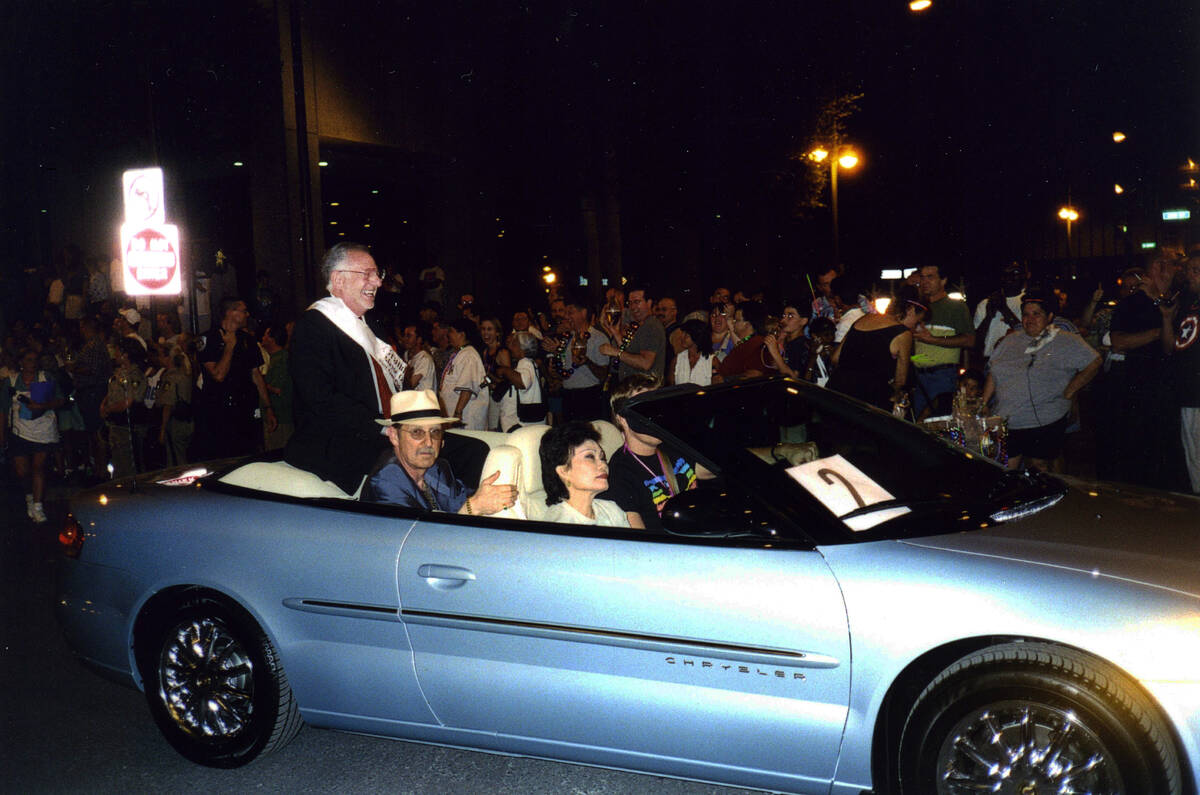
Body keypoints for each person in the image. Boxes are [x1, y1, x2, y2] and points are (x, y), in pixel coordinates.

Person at [286, 242, 406, 494]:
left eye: (377, 274)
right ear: (338, 280)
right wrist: (384, 429)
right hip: (338, 443)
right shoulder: (313, 326)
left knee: (468, 450)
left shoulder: (372, 325)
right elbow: (320, 399)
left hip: (381, 435)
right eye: (367, 274)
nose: (378, 282)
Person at [983, 292, 1100, 472]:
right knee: (1006, 470)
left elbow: (1094, 362)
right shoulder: (1010, 340)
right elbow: (994, 371)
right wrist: (983, 402)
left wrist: (1070, 390)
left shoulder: (1065, 339)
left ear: (1050, 317)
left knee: (1039, 470)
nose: (1030, 319)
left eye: (1036, 314)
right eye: (1026, 314)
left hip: (1044, 418)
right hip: (1007, 418)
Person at [361, 390, 515, 514]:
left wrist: (489, 494)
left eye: (435, 432)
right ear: (394, 436)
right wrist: (473, 507)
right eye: (417, 432)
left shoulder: (437, 468)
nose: (429, 442)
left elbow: (461, 498)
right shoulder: (385, 482)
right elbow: (417, 543)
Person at [1108, 250, 1183, 488]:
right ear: (1147, 272)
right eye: (1158, 265)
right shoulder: (1131, 304)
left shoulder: (1181, 299)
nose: (1164, 270)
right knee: (1141, 455)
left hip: (1175, 390)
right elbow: (1118, 342)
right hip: (1141, 391)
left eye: (1169, 265)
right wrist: (1160, 332)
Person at [602, 375, 709, 530]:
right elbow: (640, 542)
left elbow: (712, 469)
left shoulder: (673, 446)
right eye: (645, 410)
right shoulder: (620, 473)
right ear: (623, 419)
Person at [196, 297, 275, 459]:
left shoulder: (248, 340)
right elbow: (218, 375)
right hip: (218, 414)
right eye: (243, 311)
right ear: (230, 312)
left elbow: (256, 375)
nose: (247, 315)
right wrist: (230, 347)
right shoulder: (208, 339)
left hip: (244, 411)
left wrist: (268, 408)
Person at [828, 287, 926, 411]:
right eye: (918, 322)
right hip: (869, 400)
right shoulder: (903, 334)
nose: (916, 327)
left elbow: (835, 358)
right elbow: (900, 380)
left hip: (838, 391)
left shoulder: (863, 319)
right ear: (911, 310)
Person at [2, 348, 66, 523]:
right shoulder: (11, 381)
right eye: (28, 359)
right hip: (20, 432)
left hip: (42, 430)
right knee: (23, 472)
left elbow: (60, 399)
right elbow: (3, 409)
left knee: (39, 467)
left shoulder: (47, 378)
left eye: (35, 360)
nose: (32, 363)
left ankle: (38, 506)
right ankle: (29, 495)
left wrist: (42, 405)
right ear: (21, 362)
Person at [912, 264, 976, 416]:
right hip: (919, 377)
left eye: (930, 277)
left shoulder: (956, 307)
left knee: (939, 424)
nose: (925, 281)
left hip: (942, 377)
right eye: (922, 277)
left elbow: (969, 340)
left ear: (943, 280)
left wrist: (933, 339)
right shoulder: (918, 307)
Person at [539, 421, 630, 527]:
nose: (603, 465)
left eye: (602, 457)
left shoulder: (611, 510)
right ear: (564, 471)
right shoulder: (558, 524)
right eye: (590, 457)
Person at [1163, 251, 1200, 492]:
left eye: (1196, 271)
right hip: (1189, 394)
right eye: (1189, 271)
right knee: (1194, 457)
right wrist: (1167, 319)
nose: (1189, 276)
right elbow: (1170, 348)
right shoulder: (1186, 303)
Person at [99, 338, 148, 479]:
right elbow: (111, 393)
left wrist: (109, 409)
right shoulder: (118, 373)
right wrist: (103, 405)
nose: (115, 353)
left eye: (118, 350)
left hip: (128, 428)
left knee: (128, 467)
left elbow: (129, 401)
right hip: (115, 426)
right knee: (118, 465)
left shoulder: (134, 375)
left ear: (126, 354)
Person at [599, 284, 666, 384]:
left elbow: (645, 363)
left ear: (649, 303)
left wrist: (615, 352)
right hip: (633, 388)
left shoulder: (651, 326)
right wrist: (615, 332)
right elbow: (631, 352)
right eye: (630, 303)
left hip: (645, 390)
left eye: (637, 302)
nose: (633, 307)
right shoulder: (641, 325)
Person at [438, 317, 489, 429]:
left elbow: (467, 388)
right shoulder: (460, 354)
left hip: (466, 419)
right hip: (455, 417)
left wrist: (457, 414)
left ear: (462, 334)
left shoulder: (469, 355)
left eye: (451, 331)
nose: (448, 335)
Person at [974, 261, 1028, 360]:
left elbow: (1029, 335)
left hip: (1019, 359)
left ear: (1025, 275)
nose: (1010, 277)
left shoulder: (1029, 302)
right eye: (1006, 274)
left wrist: (1005, 310)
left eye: (1015, 273)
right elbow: (976, 342)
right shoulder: (985, 303)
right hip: (991, 360)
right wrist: (988, 317)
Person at [496, 330, 546, 431]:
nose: (510, 348)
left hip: (523, 426)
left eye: (514, 344)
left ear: (522, 347)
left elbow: (523, 383)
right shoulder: (531, 363)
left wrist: (505, 370)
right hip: (532, 423)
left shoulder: (525, 363)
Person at [716, 300, 770, 381]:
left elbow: (755, 374)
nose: (734, 323)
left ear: (747, 325)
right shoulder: (746, 343)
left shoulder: (757, 344)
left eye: (737, 320)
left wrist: (725, 379)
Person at [763, 302, 810, 378]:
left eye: (790, 316)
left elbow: (794, 378)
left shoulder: (802, 345)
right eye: (784, 315)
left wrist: (775, 353)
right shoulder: (788, 342)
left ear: (803, 321)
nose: (783, 320)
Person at [671, 318, 714, 386]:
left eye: (687, 335)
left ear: (697, 337)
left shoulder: (712, 361)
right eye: (683, 333)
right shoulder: (677, 360)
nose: (682, 337)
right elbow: (671, 388)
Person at [399, 321, 438, 393]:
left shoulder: (424, 359)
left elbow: (410, 386)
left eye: (409, 336)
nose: (405, 339)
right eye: (404, 335)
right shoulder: (407, 355)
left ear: (419, 339)